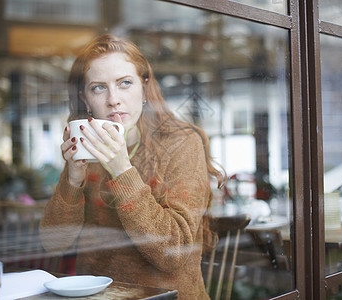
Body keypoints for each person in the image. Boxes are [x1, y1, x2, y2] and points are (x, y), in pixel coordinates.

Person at [39, 34, 224, 300]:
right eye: (99, 88)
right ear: (86, 99)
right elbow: (54, 243)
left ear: (144, 87)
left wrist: (122, 170)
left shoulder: (181, 144)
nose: (113, 99)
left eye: (125, 83)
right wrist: (72, 180)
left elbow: (173, 252)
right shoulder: (89, 148)